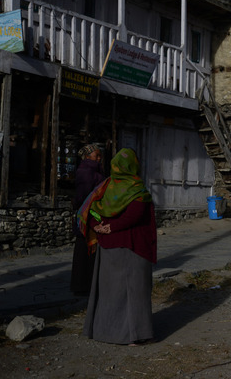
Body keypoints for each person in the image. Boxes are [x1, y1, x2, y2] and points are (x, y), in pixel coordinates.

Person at [79, 148, 157, 346]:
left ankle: (104, 332)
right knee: (135, 291)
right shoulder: (137, 190)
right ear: (133, 167)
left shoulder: (105, 188)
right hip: (132, 248)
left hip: (108, 247)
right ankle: (134, 336)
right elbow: (135, 215)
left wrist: (99, 225)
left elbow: (92, 210)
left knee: (110, 292)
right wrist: (109, 226)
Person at [70, 144, 105, 296]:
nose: (99, 158)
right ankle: (83, 285)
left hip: (92, 213)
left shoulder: (94, 171)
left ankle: (87, 284)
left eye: (99, 156)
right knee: (85, 250)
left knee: (88, 250)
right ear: (87, 157)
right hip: (87, 214)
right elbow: (82, 196)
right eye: (96, 156)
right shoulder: (85, 172)